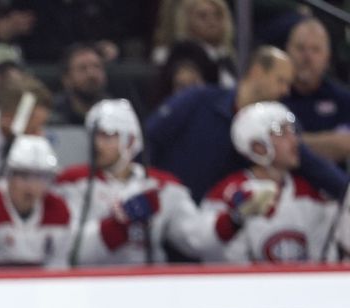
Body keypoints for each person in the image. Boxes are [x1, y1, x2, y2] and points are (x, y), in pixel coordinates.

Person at [144, 46, 347, 205]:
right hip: (172, 212)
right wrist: (149, 187)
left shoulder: (278, 121)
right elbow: (149, 139)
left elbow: (312, 165)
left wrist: (346, 191)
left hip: (232, 229)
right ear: (257, 72)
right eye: (281, 81)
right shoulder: (198, 99)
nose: (286, 91)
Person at [55, 99, 212, 266]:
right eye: (94, 135)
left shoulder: (163, 187)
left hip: (147, 279)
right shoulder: (72, 182)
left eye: (106, 136)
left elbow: (198, 243)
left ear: (129, 140)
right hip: (96, 278)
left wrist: (227, 221)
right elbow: (66, 252)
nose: (97, 144)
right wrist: (117, 225)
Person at [202, 102, 344, 263]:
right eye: (281, 132)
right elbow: (206, 248)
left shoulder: (309, 193)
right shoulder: (227, 193)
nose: (294, 140)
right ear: (258, 146)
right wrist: (233, 219)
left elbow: (324, 259)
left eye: (292, 131)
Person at [0, 134, 73, 271]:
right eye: (24, 176)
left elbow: (58, 268)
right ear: (9, 175)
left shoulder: (58, 210)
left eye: (41, 177)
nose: (32, 187)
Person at [281, 18, 350, 165]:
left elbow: (345, 144)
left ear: (327, 57)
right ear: (287, 51)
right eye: (300, 48)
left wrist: (289, 142)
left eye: (315, 50)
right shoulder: (276, 93)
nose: (307, 57)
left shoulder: (341, 98)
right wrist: (327, 142)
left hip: (330, 178)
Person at [50, 42, 109, 126]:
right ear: (66, 79)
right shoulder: (52, 114)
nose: (91, 74)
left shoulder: (114, 110)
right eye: (82, 68)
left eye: (97, 66)